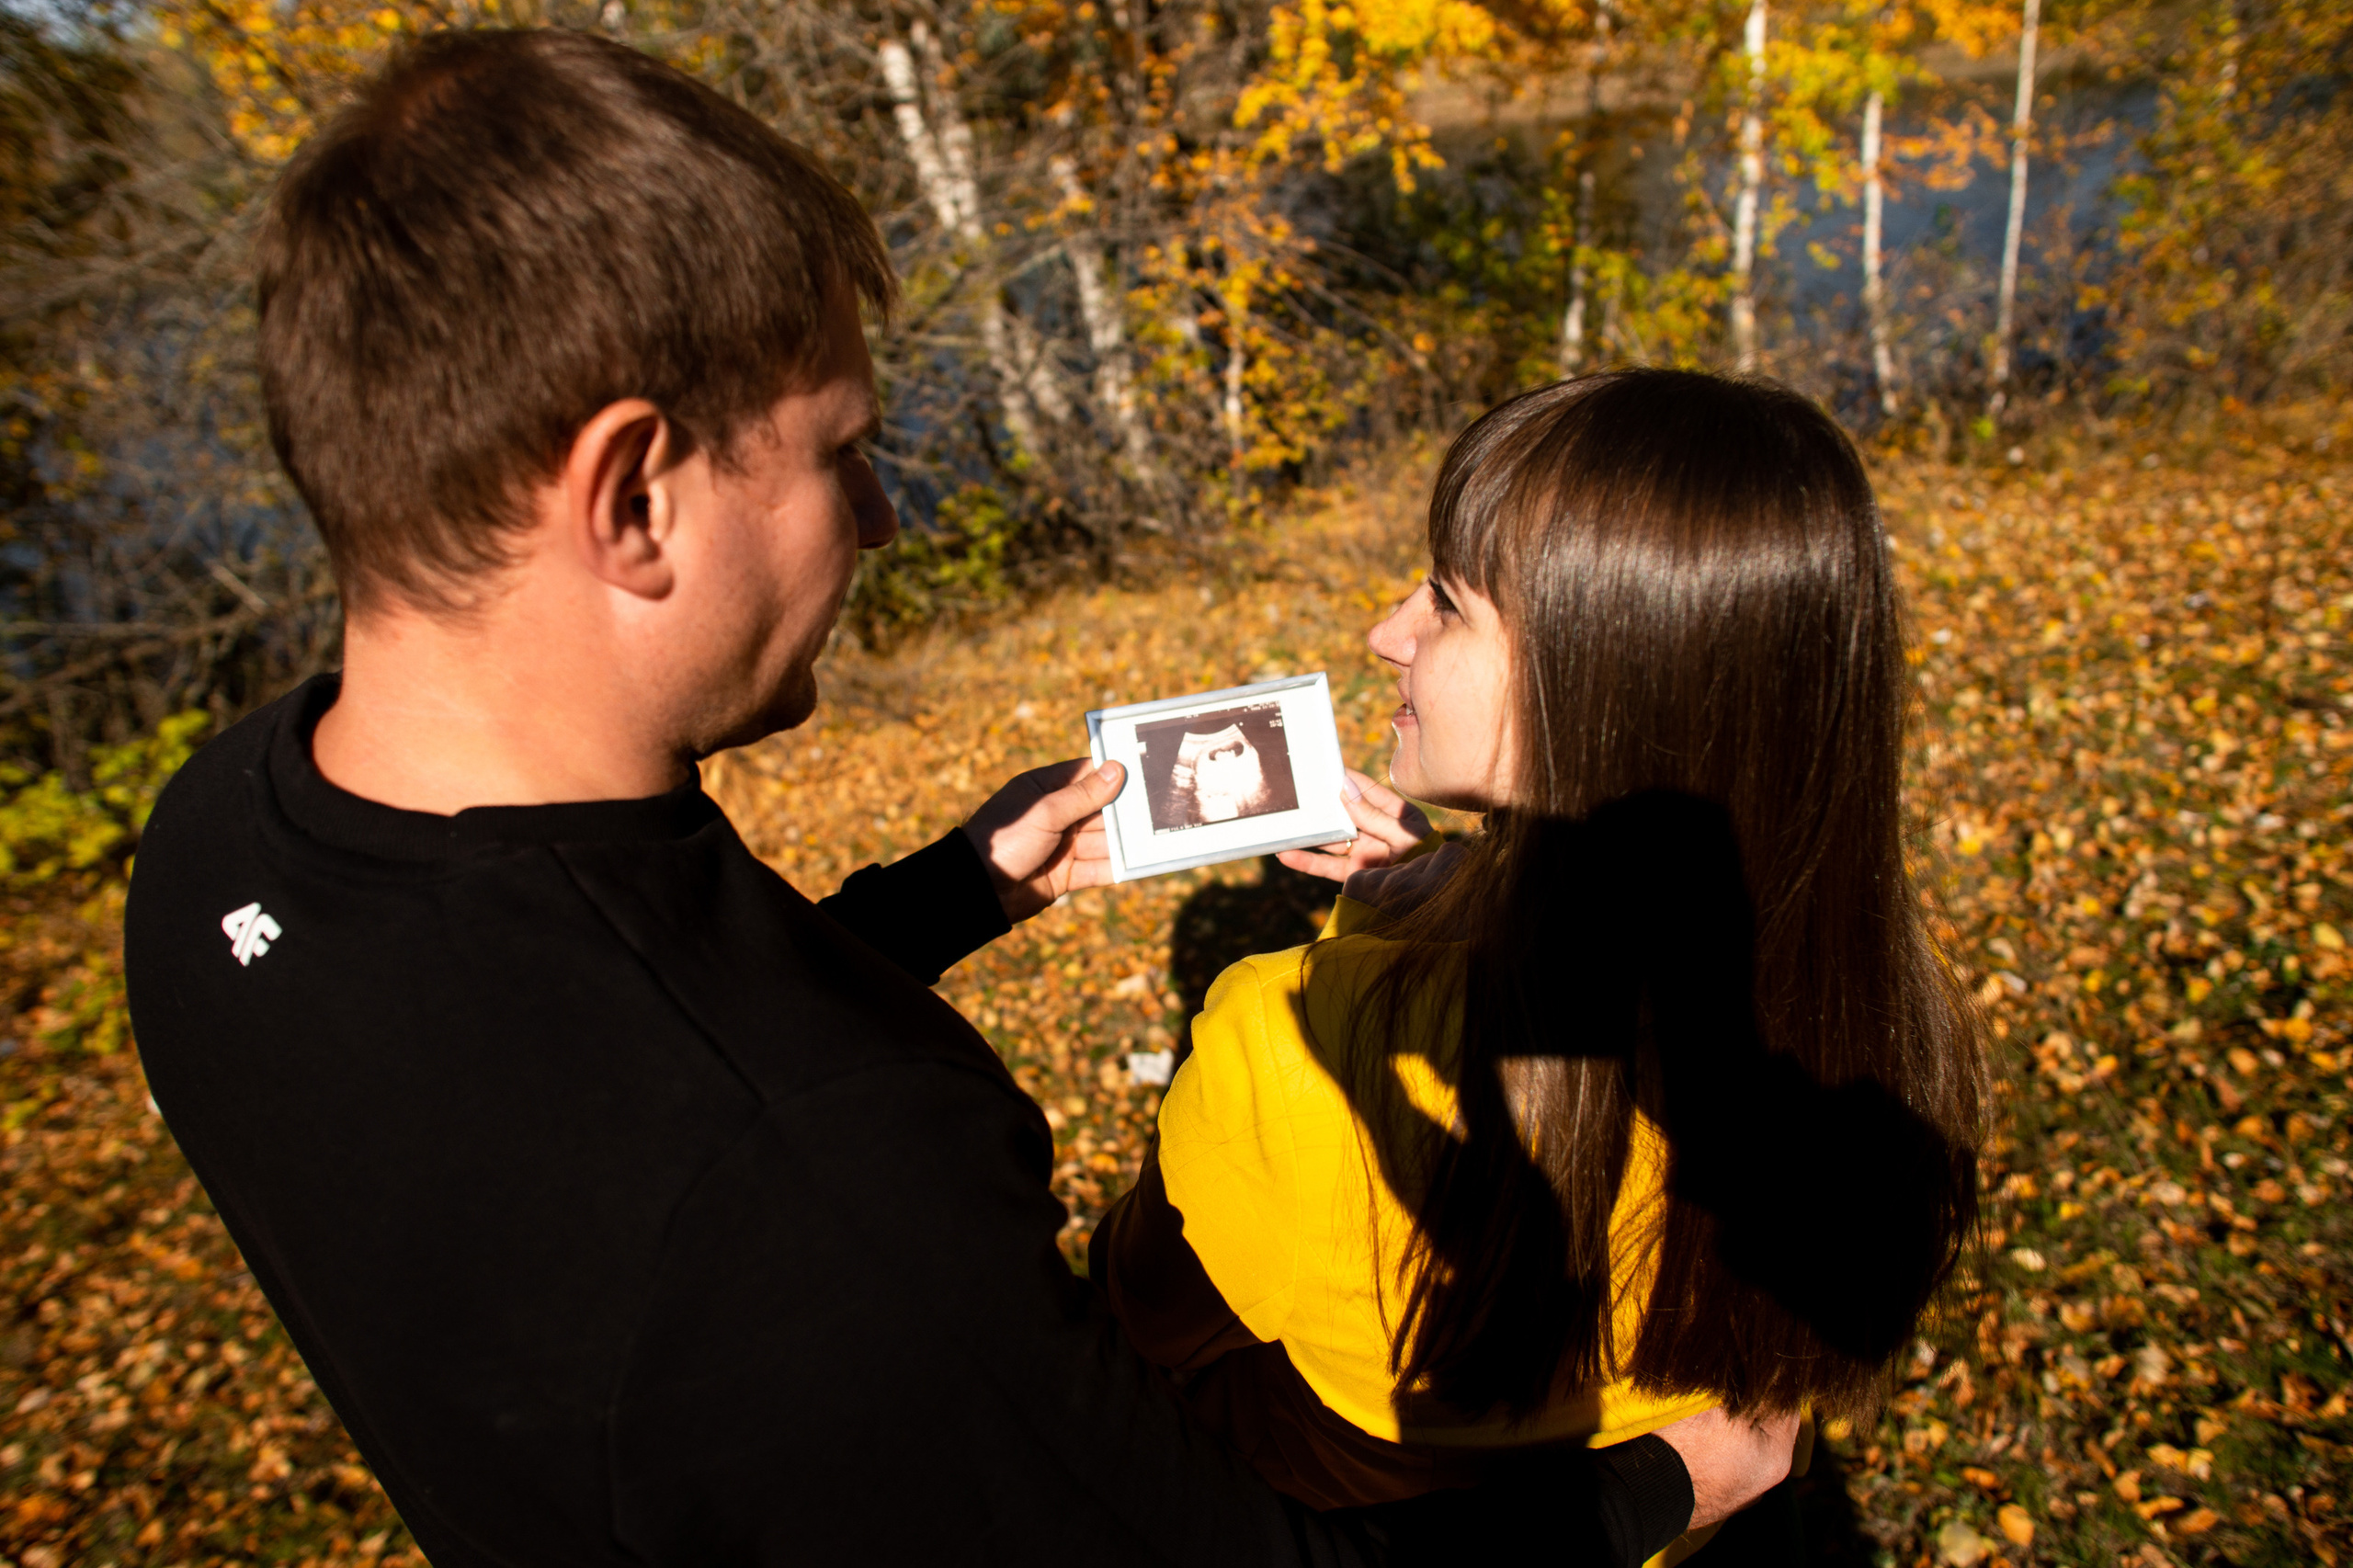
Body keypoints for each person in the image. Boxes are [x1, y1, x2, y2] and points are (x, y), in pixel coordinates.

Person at [119, 30, 1797, 1568]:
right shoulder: (814, 1193)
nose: (886, 516)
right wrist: (1666, 1483)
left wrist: (952, 894)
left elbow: (558, 1038)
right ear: (634, 497)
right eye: (842, 450)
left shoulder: (217, 848)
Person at [1095, 371, 1986, 1555]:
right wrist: (1451, 895)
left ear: (1600, 679)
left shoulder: (1287, 1038)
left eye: (1449, 604)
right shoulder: (1879, 1024)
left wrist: (1386, 953)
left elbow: (1136, 1328)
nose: (1387, 634)